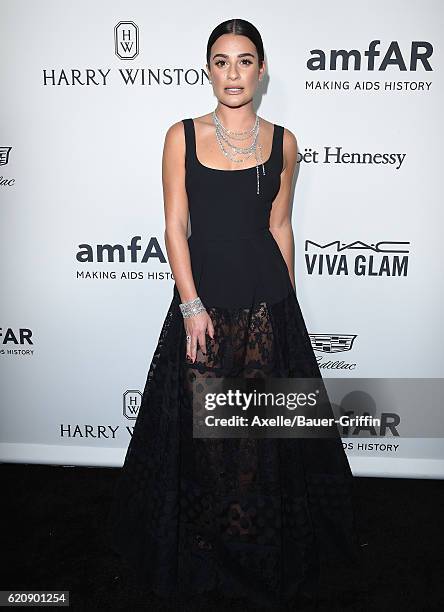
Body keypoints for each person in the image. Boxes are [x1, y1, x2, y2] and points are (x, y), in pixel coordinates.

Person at [107, 17, 363, 610]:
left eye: (244, 61)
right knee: (203, 434)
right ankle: (204, 544)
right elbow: (175, 225)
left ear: (262, 69)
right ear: (208, 70)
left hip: (267, 303)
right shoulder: (183, 135)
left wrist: (288, 304)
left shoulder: (284, 142)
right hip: (204, 304)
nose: (233, 73)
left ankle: (253, 544)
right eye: (221, 61)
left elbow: (280, 226)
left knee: (262, 434)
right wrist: (190, 303)